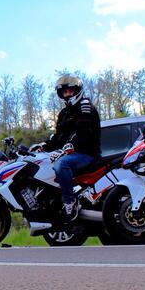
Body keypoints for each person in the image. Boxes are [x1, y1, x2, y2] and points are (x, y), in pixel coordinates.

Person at [41, 75, 101, 221]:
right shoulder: (64, 113)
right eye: (64, 92)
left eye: (70, 91)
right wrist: (43, 146)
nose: (67, 94)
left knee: (62, 164)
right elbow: (58, 137)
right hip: (71, 152)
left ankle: (70, 201)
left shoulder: (84, 106)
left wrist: (70, 146)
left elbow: (83, 132)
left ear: (77, 90)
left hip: (86, 153)